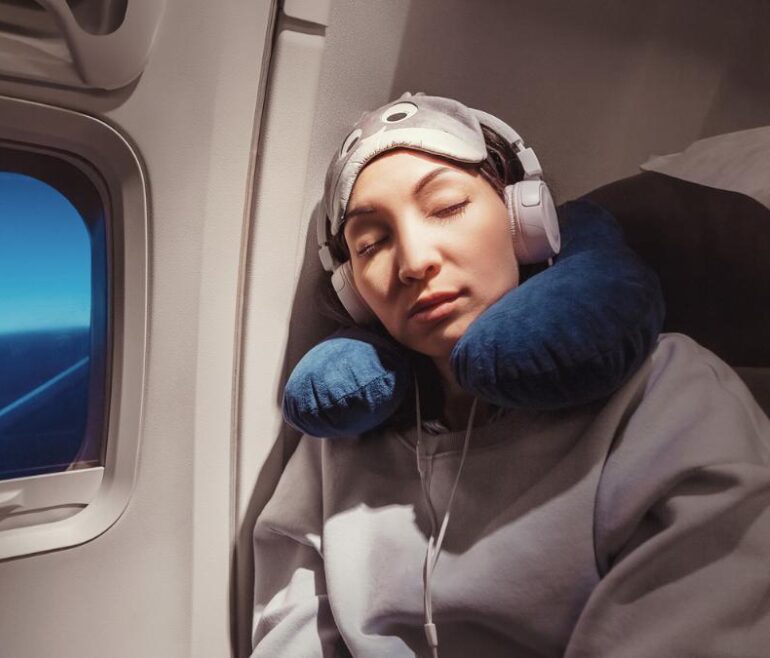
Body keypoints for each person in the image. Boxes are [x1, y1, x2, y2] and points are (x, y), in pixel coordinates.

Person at [250, 94, 770, 657]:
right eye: (371, 243)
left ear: (526, 221)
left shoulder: (669, 398)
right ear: (354, 293)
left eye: (446, 207)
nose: (414, 260)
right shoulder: (334, 450)